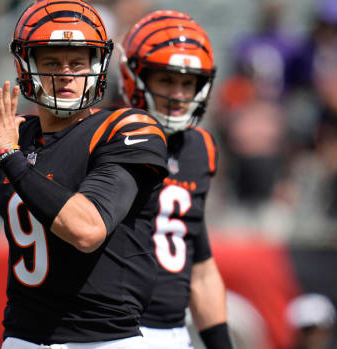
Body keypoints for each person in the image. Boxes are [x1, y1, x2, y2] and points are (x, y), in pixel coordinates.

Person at [0, 0, 168, 347]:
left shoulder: (125, 128)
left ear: (98, 67)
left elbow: (87, 229)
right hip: (23, 336)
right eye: (52, 61)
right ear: (25, 66)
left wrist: (12, 157)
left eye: (77, 62)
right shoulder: (16, 136)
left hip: (105, 339)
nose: (66, 73)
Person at [119, 10, 233, 349]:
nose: (179, 94)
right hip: (112, 331)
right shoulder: (110, 137)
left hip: (174, 331)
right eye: (166, 80)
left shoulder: (200, 148)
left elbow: (199, 264)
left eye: (187, 83)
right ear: (135, 77)